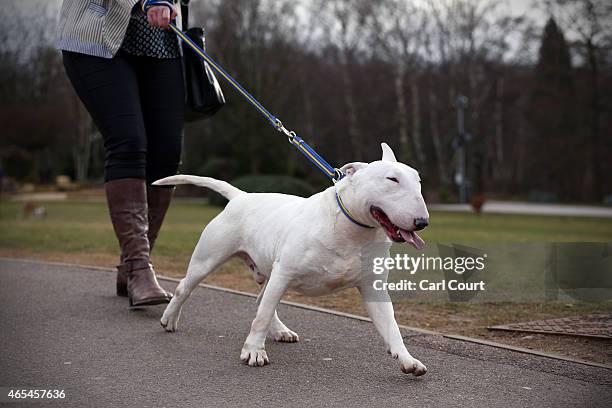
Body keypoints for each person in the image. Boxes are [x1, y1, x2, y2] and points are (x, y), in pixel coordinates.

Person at [57, 0, 184, 307]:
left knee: (167, 153)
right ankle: (140, 267)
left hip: (161, 43)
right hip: (96, 36)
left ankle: (131, 267)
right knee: (128, 141)